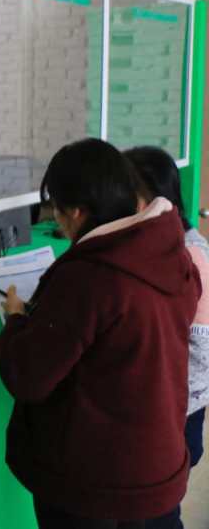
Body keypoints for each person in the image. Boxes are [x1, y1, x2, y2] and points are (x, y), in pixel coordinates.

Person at [0, 138, 200, 529]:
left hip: (96, 480)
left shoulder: (90, 278)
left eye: (56, 210)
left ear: (75, 212)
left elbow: (29, 376)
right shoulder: (169, 254)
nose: (56, 221)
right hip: (157, 461)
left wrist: (17, 321)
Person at [124, 146, 209, 506]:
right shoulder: (171, 243)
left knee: (158, 515)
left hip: (174, 414)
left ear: (145, 200)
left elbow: (199, 352)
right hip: (173, 411)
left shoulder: (186, 256)